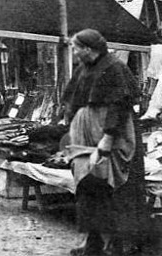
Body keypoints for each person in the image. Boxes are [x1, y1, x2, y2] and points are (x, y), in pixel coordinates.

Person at [62, 29, 149, 256]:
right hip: (85, 137)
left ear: (88, 49)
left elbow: (118, 105)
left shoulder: (115, 68)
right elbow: (72, 99)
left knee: (116, 189)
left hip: (113, 135)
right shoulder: (83, 69)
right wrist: (69, 126)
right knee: (88, 186)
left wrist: (108, 139)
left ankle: (120, 245)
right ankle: (93, 243)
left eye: (75, 46)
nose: (73, 50)